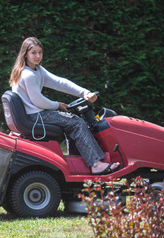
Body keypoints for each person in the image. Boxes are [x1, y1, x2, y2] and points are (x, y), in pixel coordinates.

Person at [9, 37, 119, 175]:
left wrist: (83, 93)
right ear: (25, 54)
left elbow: (60, 82)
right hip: (35, 116)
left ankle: (79, 161)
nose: (38, 56)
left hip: (33, 115)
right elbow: (38, 101)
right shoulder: (28, 75)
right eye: (33, 53)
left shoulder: (37, 70)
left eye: (40, 52)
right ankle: (96, 164)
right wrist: (58, 105)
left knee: (71, 121)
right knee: (76, 122)